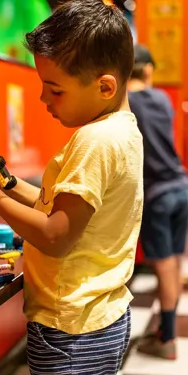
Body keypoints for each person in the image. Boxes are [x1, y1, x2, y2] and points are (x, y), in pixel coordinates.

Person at [0, 1, 143, 373]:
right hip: (98, 317)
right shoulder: (122, 129)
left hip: (71, 328)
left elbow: (56, 235)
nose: (44, 100)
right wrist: (7, 183)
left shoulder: (95, 141)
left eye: (55, 90)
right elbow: (58, 207)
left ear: (105, 86)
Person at [128, 44, 188, 360]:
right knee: (175, 262)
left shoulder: (126, 104)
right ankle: (165, 330)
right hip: (181, 185)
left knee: (164, 266)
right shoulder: (163, 100)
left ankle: (167, 339)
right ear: (149, 70)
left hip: (157, 194)